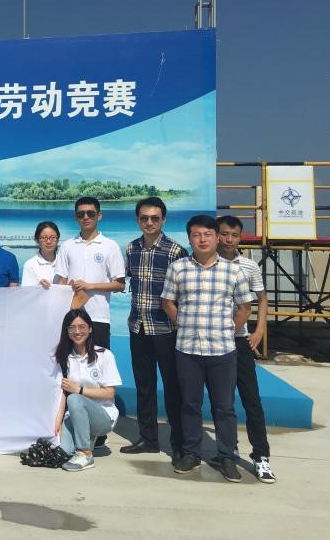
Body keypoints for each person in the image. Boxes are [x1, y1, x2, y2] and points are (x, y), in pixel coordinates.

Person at [161, 215, 253, 482]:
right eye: (196, 235)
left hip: (222, 351)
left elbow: (245, 307)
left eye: (207, 234)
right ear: (189, 239)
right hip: (187, 349)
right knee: (190, 405)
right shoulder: (178, 268)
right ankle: (191, 453)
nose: (202, 240)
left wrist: (228, 331)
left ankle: (227, 457)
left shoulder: (233, 271)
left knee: (224, 407)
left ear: (216, 237)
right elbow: (168, 302)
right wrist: (183, 323)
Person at [120, 197, 188, 462]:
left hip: (166, 329)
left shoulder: (175, 251)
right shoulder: (131, 248)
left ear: (163, 220)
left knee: (173, 387)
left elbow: (184, 292)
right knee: (144, 386)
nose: (149, 223)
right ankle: (148, 438)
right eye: (144, 218)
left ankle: (178, 444)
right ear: (138, 220)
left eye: (155, 218)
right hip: (138, 327)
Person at [217, 215, 276, 483]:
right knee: (223, 401)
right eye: (224, 234)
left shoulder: (249, 266)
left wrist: (259, 330)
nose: (229, 240)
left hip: (240, 341)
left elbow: (261, 299)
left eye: (235, 235)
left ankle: (261, 456)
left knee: (251, 399)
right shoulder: (208, 263)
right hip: (216, 342)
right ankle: (229, 450)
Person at [53, 308, 123, 472]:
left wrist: (79, 390)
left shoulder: (104, 355)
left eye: (82, 327)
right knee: (62, 452)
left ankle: (85, 453)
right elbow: (63, 392)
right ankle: (85, 441)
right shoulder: (64, 357)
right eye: (72, 327)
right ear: (67, 331)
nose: (77, 331)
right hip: (75, 415)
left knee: (75, 398)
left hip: (103, 416)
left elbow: (109, 392)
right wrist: (58, 421)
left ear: (90, 329)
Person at [54, 197, 125, 349]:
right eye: (81, 214)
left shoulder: (110, 246)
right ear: (75, 217)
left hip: (98, 316)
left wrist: (90, 286)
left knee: (99, 360)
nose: (86, 217)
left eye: (91, 213)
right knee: (70, 360)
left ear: (99, 216)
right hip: (72, 316)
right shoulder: (67, 246)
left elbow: (120, 285)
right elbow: (61, 282)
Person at [23, 221, 60, 287]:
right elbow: (26, 291)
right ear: (37, 240)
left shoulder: (63, 262)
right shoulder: (30, 265)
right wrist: (38, 286)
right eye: (44, 238)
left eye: (53, 237)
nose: (48, 241)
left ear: (57, 240)